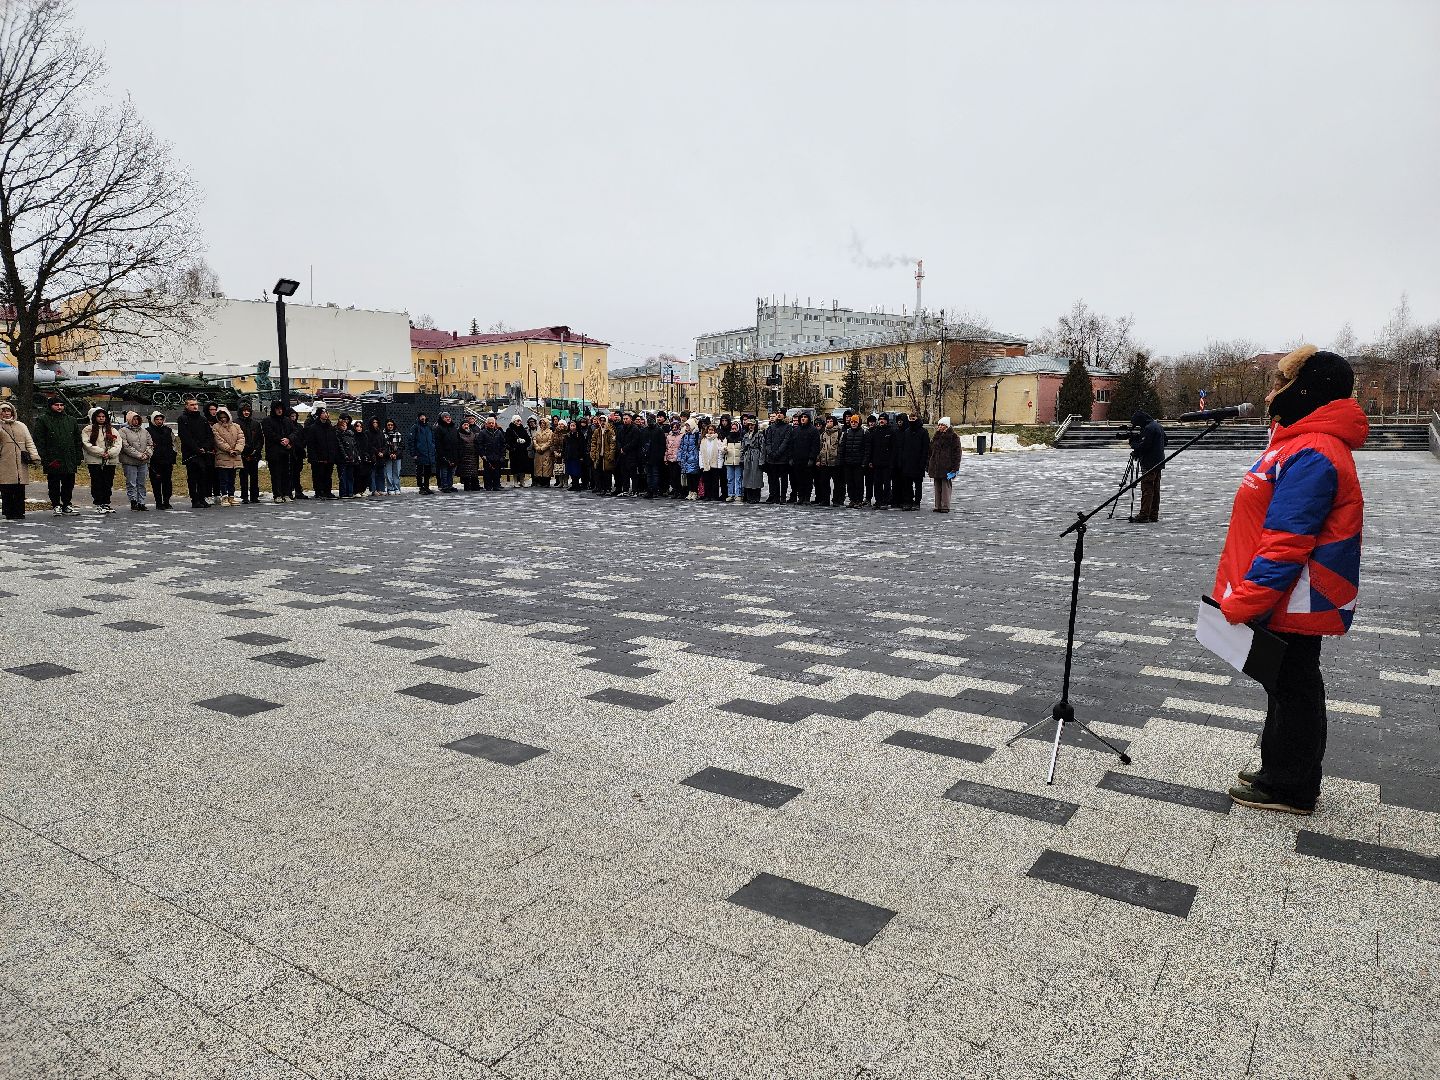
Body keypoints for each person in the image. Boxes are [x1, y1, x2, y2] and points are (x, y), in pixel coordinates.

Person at [1216, 347, 1368, 817]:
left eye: (1281, 382)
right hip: (1284, 594)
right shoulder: (1295, 442)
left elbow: (1286, 542)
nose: (1271, 392)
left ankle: (1291, 785)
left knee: (1296, 687)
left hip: (1294, 596)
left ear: (1306, 391)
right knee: (1284, 685)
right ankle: (1277, 769)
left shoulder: (1314, 451)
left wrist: (1245, 599)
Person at [32, 395, 82, 516]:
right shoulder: (43, 420)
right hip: (52, 458)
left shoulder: (71, 420)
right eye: (56, 405)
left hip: (69, 457)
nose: (59, 407)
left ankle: (66, 504)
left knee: (68, 484)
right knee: (54, 484)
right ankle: (56, 505)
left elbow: (77, 440)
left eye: (61, 405)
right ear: (51, 406)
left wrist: (78, 457)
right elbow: (39, 441)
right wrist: (45, 458)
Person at [0, 401, 41, 520]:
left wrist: (35, 457)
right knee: (6, 487)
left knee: (19, 488)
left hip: (20, 461)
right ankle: (8, 512)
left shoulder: (21, 425)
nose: (6, 413)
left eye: (9, 411)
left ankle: (19, 511)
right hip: (5, 460)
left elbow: (29, 442)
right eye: (3, 411)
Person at [1127, 410, 1168, 523]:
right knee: (1155, 489)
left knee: (1147, 488)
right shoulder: (1157, 426)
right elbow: (1166, 441)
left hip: (1149, 463)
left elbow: (1145, 446)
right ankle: (1153, 514)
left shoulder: (1149, 428)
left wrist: (1134, 444)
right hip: (1159, 462)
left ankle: (1144, 514)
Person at [80, 407, 121, 514]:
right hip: (95, 460)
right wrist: (101, 452)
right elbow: (87, 444)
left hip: (109, 461)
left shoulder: (112, 429)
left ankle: (106, 502)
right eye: (99, 416)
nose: (101, 418)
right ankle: (98, 502)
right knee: (97, 481)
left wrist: (110, 453)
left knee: (108, 482)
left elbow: (118, 444)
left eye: (103, 416)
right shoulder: (88, 429)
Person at [176, 397, 214, 508]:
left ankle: (202, 498)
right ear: (186, 406)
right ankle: (195, 499)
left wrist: (205, 447)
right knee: (193, 478)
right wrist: (196, 448)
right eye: (192, 404)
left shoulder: (203, 419)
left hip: (203, 453)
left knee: (203, 477)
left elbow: (209, 435)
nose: (195, 406)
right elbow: (185, 437)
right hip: (191, 454)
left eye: (196, 404)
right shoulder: (183, 419)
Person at [117, 411, 154, 511]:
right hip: (130, 461)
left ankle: (141, 502)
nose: (136, 421)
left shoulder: (144, 431)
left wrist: (147, 454)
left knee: (141, 483)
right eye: (134, 419)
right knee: (131, 482)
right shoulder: (123, 431)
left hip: (143, 461)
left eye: (137, 419)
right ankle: (133, 501)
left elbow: (150, 444)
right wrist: (138, 455)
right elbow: (125, 446)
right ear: (129, 420)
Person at [894, 413, 930, 511]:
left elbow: (925, 449)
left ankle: (917, 502)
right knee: (907, 484)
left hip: (918, 463)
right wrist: (901, 461)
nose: (912, 420)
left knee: (918, 485)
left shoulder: (923, 432)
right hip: (907, 463)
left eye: (913, 418)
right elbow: (902, 447)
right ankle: (908, 501)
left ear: (917, 418)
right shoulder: (907, 432)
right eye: (910, 418)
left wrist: (923, 462)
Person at [261, 403, 295, 504]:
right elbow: (269, 434)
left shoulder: (287, 420)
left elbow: (294, 432)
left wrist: (289, 440)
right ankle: (277, 494)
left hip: (286, 451)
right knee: (276, 474)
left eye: (281, 409)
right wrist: (281, 440)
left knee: (286, 474)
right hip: (274, 452)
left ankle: (286, 493)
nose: (279, 411)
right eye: (277, 409)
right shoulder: (267, 420)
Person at [211, 406, 245, 506]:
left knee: (232, 479)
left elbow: (241, 438)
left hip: (235, 456)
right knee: (223, 479)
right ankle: (224, 497)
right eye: (221, 417)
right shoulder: (216, 427)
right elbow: (218, 441)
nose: (223, 419)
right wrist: (229, 450)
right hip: (223, 456)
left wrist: (237, 450)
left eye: (224, 417)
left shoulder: (236, 426)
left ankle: (231, 496)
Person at [927, 417, 962, 514]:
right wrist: (929, 463)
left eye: (942, 425)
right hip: (936, 466)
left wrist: (955, 468)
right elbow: (930, 451)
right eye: (939, 425)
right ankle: (938, 505)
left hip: (947, 466)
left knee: (945, 486)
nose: (940, 427)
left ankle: (945, 506)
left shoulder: (954, 437)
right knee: (937, 486)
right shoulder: (936, 437)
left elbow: (957, 454)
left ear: (947, 426)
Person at [306, 405, 341, 499]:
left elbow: (333, 442)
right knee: (318, 475)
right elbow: (311, 444)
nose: (325, 415)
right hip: (318, 457)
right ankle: (319, 491)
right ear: (319, 415)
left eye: (326, 413)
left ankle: (327, 491)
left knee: (328, 475)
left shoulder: (330, 428)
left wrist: (333, 456)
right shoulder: (313, 428)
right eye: (323, 413)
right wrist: (313, 457)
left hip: (329, 456)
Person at [837, 412, 868, 508]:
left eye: (855, 422)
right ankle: (852, 499)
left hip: (858, 463)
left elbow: (866, 449)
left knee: (858, 483)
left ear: (859, 422)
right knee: (850, 483)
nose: (853, 423)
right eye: (852, 422)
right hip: (848, 462)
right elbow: (842, 447)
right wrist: (841, 460)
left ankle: (858, 500)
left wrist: (864, 462)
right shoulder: (846, 433)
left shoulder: (863, 432)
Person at [146, 412, 176, 510]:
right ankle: (158, 502)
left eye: (160, 419)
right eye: (157, 419)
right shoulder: (148, 431)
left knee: (167, 482)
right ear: (153, 420)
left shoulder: (168, 430)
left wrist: (173, 455)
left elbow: (173, 443)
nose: (159, 421)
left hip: (167, 460)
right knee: (156, 482)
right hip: (155, 461)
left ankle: (166, 501)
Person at [237, 404, 264, 504]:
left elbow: (260, 439)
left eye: (248, 410)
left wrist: (256, 450)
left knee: (254, 476)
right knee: (243, 476)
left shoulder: (255, 424)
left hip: (254, 454)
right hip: (242, 454)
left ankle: (254, 496)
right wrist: (244, 450)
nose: (246, 412)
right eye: (244, 410)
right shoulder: (237, 423)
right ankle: (244, 496)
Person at [790, 413, 820, 505]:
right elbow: (791, 445)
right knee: (798, 480)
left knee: (808, 480)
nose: (803, 419)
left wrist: (811, 458)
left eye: (805, 417)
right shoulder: (796, 430)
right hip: (797, 459)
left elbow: (815, 446)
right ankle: (800, 497)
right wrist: (791, 457)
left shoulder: (813, 430)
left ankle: (807, 497)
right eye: (801, 417)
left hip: (807, 460)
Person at [762, 411, 792, 503]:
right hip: (772, 458)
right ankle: (775, 496)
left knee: (783, 479)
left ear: (784, 415)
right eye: (777, 413)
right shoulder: (771, 427)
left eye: (781, 413)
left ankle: (783, 497)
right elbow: (768, 441)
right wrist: (770, 452)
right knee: (773, 479)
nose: (779, 415)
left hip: (783, 458)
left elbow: (786, 441)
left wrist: (778, 452)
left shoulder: (788, 427)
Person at [814, 416, 840, 508]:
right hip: (824, 461)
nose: (829, 422)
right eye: (827, 421)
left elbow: (841, 447)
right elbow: (820, 447)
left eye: (831, 421)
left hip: (835, 461)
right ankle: (825, 500)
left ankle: (836, 500)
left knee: (837, 483)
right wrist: (818, 459)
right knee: (824, 482)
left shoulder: (839, 433)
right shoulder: (823, 434)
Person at [740, 415, 766, 504]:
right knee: (747, 477)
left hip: (756, 457)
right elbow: (743, 448)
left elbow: (763, 448)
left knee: (756, 477)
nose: (751, 426)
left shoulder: (760, 435)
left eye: (752, 425)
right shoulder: (746, 435)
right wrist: (742, 459)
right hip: (748, 457)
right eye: (749, 425)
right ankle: (749, 496)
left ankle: (756, 496)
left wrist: (761, 460)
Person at [589, 414, 615, 495]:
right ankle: (600, 488)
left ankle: (608, 488)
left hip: (606, 456)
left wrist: (611, 454)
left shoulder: (610, 431)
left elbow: (612, 444)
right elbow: (593, 443)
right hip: (598, 455)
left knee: (607, 473)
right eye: (601, 421)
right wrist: (592, 453)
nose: (603, 422)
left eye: (604, 421)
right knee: (598, 472)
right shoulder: (597, 431)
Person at [477, 417, 506, 491]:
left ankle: (496, 485)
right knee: (487, 472)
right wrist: (482, 454)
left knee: (496, 472)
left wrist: (502, 455)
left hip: (497, 455)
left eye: (492, 423)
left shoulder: (498, 432)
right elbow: (479, 444)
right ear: (486, 424)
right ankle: (488, 486)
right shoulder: (482, 432)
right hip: (487, 456)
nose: (491, 424)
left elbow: (503, 444)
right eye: (489, 423)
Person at [410, 413, 436, 494]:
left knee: (428, 471)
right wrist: (413, 453)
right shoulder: (415, 427)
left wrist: (433, 447)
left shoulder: (429, 427)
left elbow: (433, 439)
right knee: (419, 471)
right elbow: (411, 441)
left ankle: (427, 486)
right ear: (418, 418)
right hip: (419, 453)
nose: (422, 418)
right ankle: (421, 487)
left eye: (423, 416)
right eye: (421, 416)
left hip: (429, 453)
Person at [433, 412, 459, 493]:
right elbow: (437, 443)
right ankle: (444, 486)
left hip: (453, 454)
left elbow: (457, 440)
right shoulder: (439, 428)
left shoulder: (454, 428)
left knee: (451, 472)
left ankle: (450, 485)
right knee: (444, 471)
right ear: (442, 419)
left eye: (449, 417)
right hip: (444, 454)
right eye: (445, 417)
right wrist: (441, 454)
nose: (448, 418)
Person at [699, 421, 724, 501]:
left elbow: (720, 453)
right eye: (709, 430)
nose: (710, 431)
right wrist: (701, 465)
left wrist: (719, 465)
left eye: (712, 430)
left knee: (715, 481)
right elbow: (701, 453)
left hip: (715, 464)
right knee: (707, 481)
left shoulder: (718, 440)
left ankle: (714, 495)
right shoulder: (703, 440)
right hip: (706, 464)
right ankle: (707, 495)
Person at [287, 408, 309, 499]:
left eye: (294, 416)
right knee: (290, 473)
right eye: (291, 416)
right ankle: (289, 491)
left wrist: (302, 445)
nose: (293, 418)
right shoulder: (286, 426)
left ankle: (298, 491)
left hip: (299, 452)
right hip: (290, 452)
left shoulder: (299, 427)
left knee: (297, 473)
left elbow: (304, 437)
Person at [678, 418, 701, 500]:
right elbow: (681, 447)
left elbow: (698, 447)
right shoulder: (685, 435)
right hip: (686, 459)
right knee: (688, 477)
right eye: (686, 425)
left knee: (694, 477)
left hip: (693, 459)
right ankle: (690, 491)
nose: (686, 427)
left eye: (688, 425)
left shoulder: (697, 435)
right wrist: (680, 458)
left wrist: (696, 457)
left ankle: (695, 492)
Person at [336, 416, 359, 499]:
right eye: (342, 425)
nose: (344, 427)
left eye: (345, 425)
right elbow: (340, 446)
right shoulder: (338, 435)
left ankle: (350, 492)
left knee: (350, 476)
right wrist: (345, 455)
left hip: (351, 458)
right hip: (342, 459)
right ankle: (343, 492)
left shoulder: (350, 435)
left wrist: (355, 456)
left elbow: (354, 447)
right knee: (343, 476)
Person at [505, 416, 532, 488]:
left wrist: (525, 442)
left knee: (523, 466)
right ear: (514, 421)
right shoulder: (509, 430)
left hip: (522, 451)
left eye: (520, 421)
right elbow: (507, 441)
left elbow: (528, 439)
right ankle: (515, 481)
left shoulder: (522, 429)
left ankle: (522, 481)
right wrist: (515, 443)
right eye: (517, 421)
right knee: (515, 467)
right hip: (514, 452)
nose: (519, 422)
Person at [456, 417, 481, 491]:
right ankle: (467, 486)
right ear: (461, 426)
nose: (466, 426)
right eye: (464, 425)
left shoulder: (472, 434)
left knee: (474, 472)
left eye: (467, 424)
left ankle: (475, 485)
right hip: (464, 456)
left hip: (473, 455)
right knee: (466, 472)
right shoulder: (459, 434)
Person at [722, 421, 744, 503]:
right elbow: (722, 448)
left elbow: (742, 449)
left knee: (738, 478)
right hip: (729, 461)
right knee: (730, 479)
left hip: (738, 462)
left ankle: (738, 494)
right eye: (732, 428)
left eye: (735, 428)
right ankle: (731, 494)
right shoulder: (727, 438)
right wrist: (724, 449)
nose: (734, 430)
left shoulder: (741, 438)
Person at [364, 417, 386, 495]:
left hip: (381, 457)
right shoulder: (368, 432)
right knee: (372, 474)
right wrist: (377, 452)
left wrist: (382, 452)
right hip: (373, 456)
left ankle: (380, 489)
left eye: (376, 422)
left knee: (381, 474)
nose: (375, 424)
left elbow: (384, 444)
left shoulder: (381, 433)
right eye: (374, 422)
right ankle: (373, 490)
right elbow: (369, 445)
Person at [380, 418, 404, 494]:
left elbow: (401, 446)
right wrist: (389, 454)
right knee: (388, 473)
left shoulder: (398, 434)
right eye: (388, 425)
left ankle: (397, 488)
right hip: (387, 456)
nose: (390, 426)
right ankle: (390, 488)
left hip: (397, 456)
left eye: (391, 425)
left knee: (396, 473)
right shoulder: (383, 435)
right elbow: (384, 446)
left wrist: (395, 454)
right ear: (386, 426)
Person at [562, 420, 585, 491]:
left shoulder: (579, 434)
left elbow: (582, 446)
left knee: (576, 471)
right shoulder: (568, 435)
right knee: (571, 471)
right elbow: (565, 446)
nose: (572, 427)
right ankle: (573, 484)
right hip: (569, 456)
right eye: (571, 426)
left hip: (577, 456)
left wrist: (581, 456)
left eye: (573, 426)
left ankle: (577, 484)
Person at [664, 418, 684, 498]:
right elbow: (666, 448)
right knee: (672, 476)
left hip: (677, 458)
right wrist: (665, 458)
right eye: (673, 427)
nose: (674, 429)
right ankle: (675, 490)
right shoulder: (669, 436)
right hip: (670, 458)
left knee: (677, 476)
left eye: (676, 427)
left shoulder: (682, 436)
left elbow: (682, 447)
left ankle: (679, 491)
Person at [532, 418, 555, 489]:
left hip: (546, 451)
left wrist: (543, 448)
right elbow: (534, 440)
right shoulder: (537, 432)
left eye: (544, 423)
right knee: (539, 466)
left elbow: (550, 442)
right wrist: (537, 447)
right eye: (541, 423)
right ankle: (540, 481)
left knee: (546, 466)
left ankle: (546, 482)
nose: (542, 424)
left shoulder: (550, 432)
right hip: (538, 452)